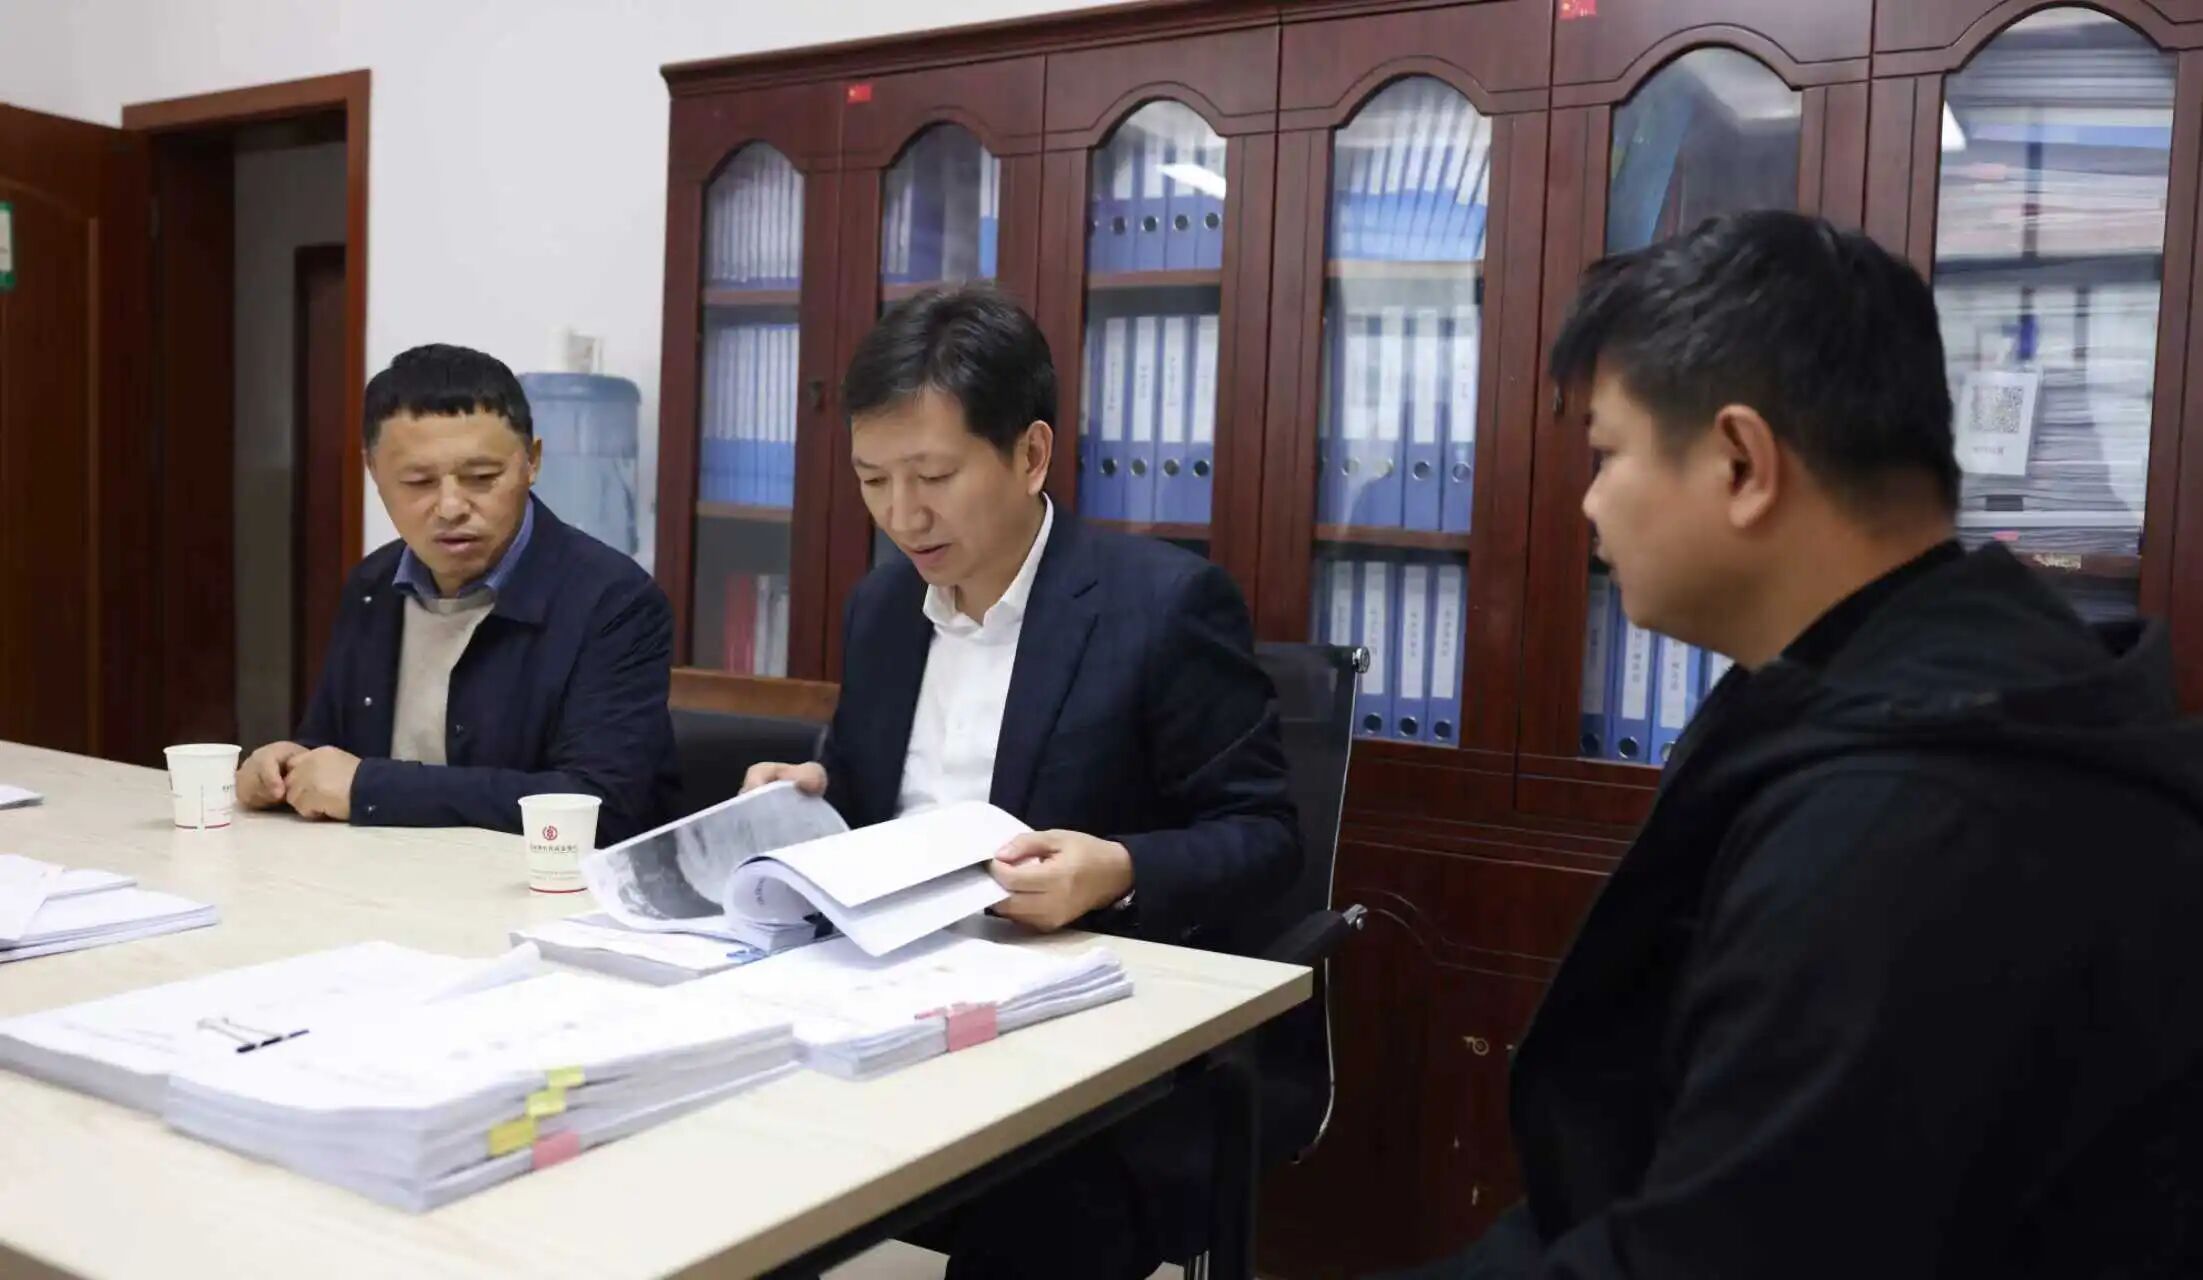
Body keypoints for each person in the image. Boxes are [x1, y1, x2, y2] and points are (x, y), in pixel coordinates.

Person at [1438, 211, 2203, 1278]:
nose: (1586, 502)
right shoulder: (1920, 680)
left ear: (1742, 462)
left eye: (1605, 453)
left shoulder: (1908, 826)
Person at [744, 284, 1301, 1278]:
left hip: (1087, 1046)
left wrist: (1116, 869)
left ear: (1030, 454)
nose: (902, 514)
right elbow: (875, 802)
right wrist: (812, 795)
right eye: (873, 480)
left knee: (1030, 1217)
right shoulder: (883, 607)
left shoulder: (1163, 607)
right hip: (889, 1002)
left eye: (933, 475)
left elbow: (1264, 839)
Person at [235, 343, 678, 844]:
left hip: (534, 884)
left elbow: (601, 806)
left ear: (532, 462)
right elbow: (332, 750)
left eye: (482, 478)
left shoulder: (613, 602)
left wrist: (371, 788)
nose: (450, 507)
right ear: (374, 472)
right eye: (418, 481)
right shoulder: (372, 586)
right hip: (378, 874)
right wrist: (287, 765)